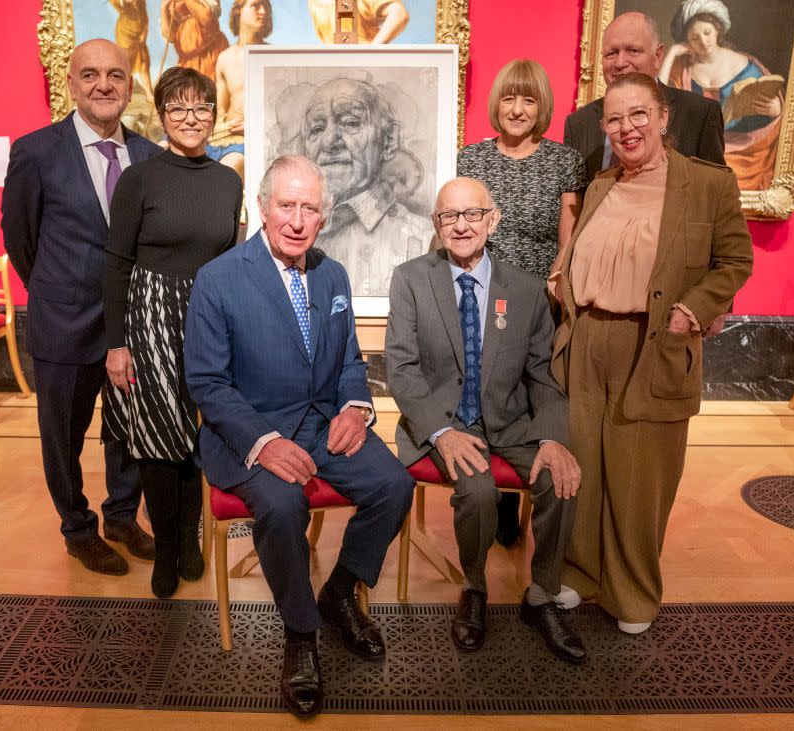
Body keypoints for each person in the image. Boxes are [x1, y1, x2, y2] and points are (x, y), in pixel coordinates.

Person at [184, 155, 414, 717]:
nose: (296, 219)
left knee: (394, 485)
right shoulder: (219, 278)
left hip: (321, 427)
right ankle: (301, 632)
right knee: (283, 505)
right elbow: (207, 383)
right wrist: (263, 442)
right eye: (286, 205)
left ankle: (338, 593)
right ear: (261, 209)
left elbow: (350, 361)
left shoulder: (332, 275)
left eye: (309, 208)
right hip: (246, 432)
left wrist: (356, 409)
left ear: (323, 217)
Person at [551, 72, 753, 635]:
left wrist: (697, 306)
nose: (626, 128)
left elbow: (734, 262)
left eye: (638, 114)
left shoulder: (707, 185)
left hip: (655, 343)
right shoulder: (600, 185)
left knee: (641, 479)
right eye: (614, 119)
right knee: (583, 467)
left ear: (665, 116)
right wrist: (563, 275)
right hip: (587, 339)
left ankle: (634, 592)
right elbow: (585, 250)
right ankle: (580, 572)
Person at [386, 177, 586, 663]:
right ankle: (474, 588)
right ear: (436, 224)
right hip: (444, 419)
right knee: (477, 491)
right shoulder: (411, 278)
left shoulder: (525, 288)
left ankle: (541, 595)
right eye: (448, 216)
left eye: (471, 214)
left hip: (511, 420)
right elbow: (402, 368)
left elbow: (542, 375)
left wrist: (553, 438)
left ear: (492, 220)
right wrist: (440, 431)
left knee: (562, 479)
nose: (460, 225)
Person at [1, 39, 160, 575]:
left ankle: (121, 516)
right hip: (63, 325)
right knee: (63, 436)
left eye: (115, 75)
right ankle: (78, 528)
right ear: (70, 84)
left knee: (128, 432)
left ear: (130, 87)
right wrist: (57, 288)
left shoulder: (149, 156)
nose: (103, 85)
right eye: (90, 74)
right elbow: (19, 238)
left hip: (132, 328)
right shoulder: (36, 151)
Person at [102, 66, 242, 598]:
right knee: (160, 441)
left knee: (198, 437)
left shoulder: (229, 180)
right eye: (178, 108)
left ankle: (190, 540)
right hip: (150, 317)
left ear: (214, 114)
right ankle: (166, 550)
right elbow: (115, 264)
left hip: (208, 317)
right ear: (162, 115)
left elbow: (230, 257)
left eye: (201, 107)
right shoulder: (140, 177)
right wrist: (117, 344)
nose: (191, 118)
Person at [457, 58, 587, 550]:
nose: (517, 109)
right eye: (509, 98)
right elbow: (457, 229)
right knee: (488, 387)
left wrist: (554, 284)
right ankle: (499, 498)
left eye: (528, 99)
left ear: (541, 107)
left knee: (533, 392)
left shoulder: (564, 161)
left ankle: (534, 482)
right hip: (479, 292)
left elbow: (568, 238)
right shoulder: (471, 159)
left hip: (538, 298)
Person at [290, 77, 431, 297]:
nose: (329, 142)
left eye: (350, 123)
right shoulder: (286, 238)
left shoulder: (423, 238)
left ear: (389, 140)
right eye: (317, 128)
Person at [563, 11, 725, 182]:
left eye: (632, 50)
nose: (620, 63)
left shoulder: (700, 114)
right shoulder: (579, 124)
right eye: (611, 53)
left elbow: (716, 197)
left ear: (657, 55)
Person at [660, 0, 783, 189]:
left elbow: (768, 112)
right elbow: (657, 97)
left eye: (707, 32)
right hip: (695, 151)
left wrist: (775, 111)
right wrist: (673, 53)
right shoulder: (683, 69)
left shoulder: (747, 66)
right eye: (694, 37)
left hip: (745, 150)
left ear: (717, 29)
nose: (703, 41)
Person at [209, 0, 272, 176]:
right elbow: (221, 112)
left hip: (252, 140)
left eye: (266, 7)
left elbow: (283, 112)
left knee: (226, 170)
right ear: (238, 11)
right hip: (223, 137)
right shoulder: (224, 58)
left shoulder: (273, 56)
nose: (263, 11)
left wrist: (253, 126)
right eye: (256, 6)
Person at [160, 0, 230, 79]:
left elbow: (207, 18)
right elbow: (170, 36)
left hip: (211, 55)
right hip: (187, 62)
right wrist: (164, 8)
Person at [308, 0, 409, 44]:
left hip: (368, 71)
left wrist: (370, 54)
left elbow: (399, 14)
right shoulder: (314, 3)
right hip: (339, 71)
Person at [111, 0, 153, 99]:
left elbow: (144, 14)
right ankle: (120, 93)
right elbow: (117, 4)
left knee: (144, 62)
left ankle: (149, 93)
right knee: (123, 64)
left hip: (139, 34)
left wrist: (145, 32)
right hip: (125, 35)